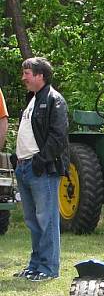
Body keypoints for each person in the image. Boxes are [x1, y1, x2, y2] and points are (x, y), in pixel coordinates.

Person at [12, 57, 69, 281]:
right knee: (32, 221)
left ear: (40, 76)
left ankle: (48, 269)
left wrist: (40, 161)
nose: (23, 77)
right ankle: (35, 266)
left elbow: (58, 136)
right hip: (25, 167)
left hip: (41, 170)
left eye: (27, 73)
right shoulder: (32, 100)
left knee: (46, 220)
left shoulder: (55, 100)